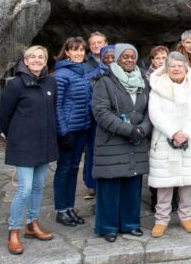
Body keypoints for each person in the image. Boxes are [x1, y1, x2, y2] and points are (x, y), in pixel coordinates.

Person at [0, 46, 58, 255]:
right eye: (32, 57)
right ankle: (13, 229)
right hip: (23, 145)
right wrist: (14, 136)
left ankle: (32, 224)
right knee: (25, 188)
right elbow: (3, 117)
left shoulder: (51, 82)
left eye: (40, 57)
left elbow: (52, 110)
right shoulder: (14, 85)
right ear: (25, 60)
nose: (36, 60)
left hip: (45, 142)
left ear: (45, 61)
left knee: (39, 186)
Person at [91, 44, 152, 242]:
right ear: (116, 59)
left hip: (137, 140)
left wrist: (143, 128)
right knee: (110, 186)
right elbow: (101, 112)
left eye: (132, 57)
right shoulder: (105, 82)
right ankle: (108, 226)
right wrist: (129, 130)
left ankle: (130, 223)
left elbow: (150, 110)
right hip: (113, 141)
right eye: (124, 56)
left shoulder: (143, 81)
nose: (129, 60)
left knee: (132, 185)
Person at [148, 52, 191, 237]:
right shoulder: (157, 88)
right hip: (165, 139)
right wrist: (173, 133)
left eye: (180, 66)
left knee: (186, 181)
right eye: (172, 65)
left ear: (186, 67)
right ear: (166, 68)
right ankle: (161, 219)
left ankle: (186, 216)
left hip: (189, 139)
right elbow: (155, 113)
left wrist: (186, 133)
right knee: (165, 182)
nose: (176, 69)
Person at [52, 37, 91, 227]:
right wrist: (63, 131)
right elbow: (57, 105)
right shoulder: (62, 74)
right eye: (74, 50)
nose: (78, 53)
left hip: (82, 127)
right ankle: (61, 209)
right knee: (64, 168)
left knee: (74, 167)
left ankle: (69, 207)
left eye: (82, 50)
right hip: (68, 129)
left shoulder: (82, 72)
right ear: (66, 52)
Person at [83, 45, 115, 199]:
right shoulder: (93, 76)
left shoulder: (123, 74)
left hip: (117, 120)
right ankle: (93, 185)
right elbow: (88, 98)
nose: (109, 60)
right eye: (106, 57)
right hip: (97, 120)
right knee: (94, 153)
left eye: (113, 57)